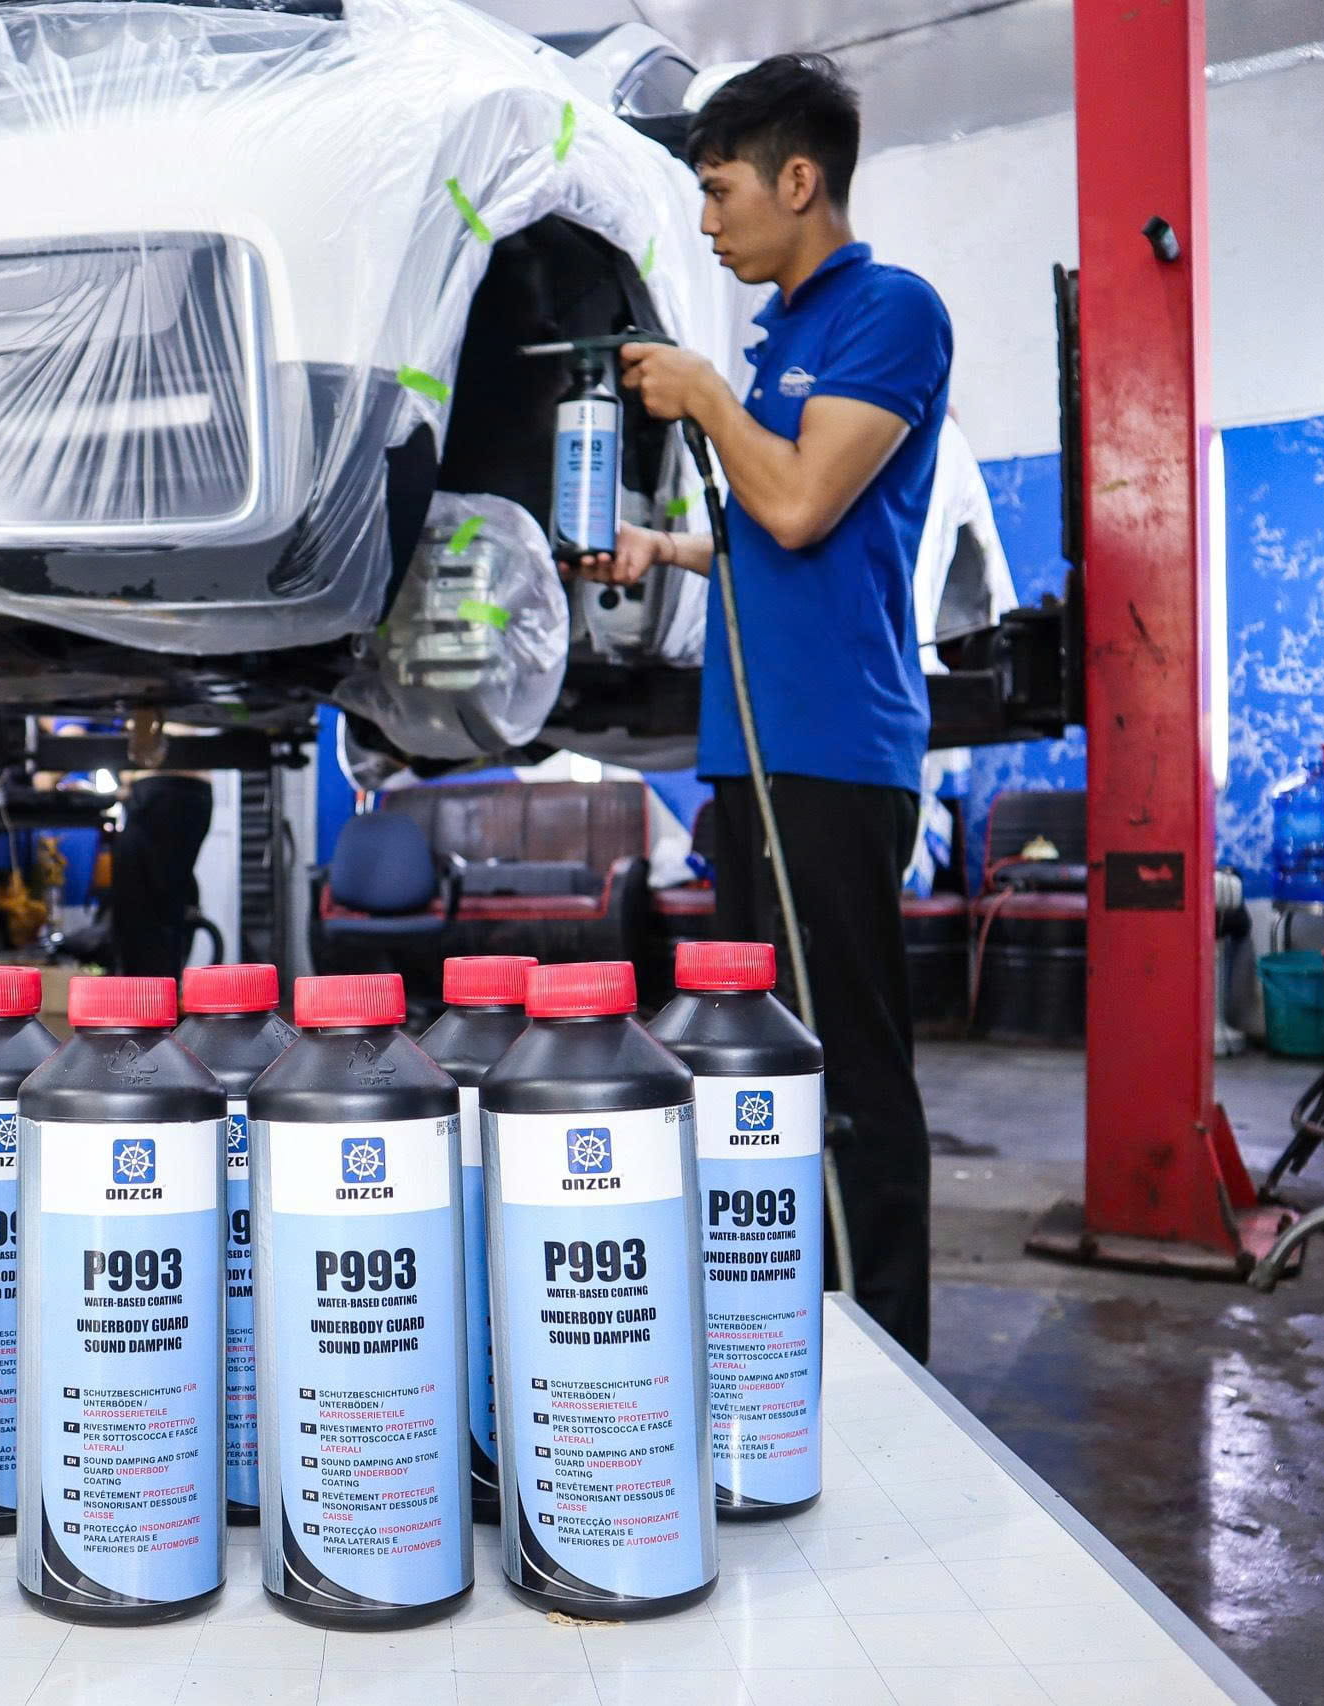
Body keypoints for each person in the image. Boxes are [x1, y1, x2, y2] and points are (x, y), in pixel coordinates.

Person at [580, 53, 947, 1361]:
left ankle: (889, 1356)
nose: (705, 220)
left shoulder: (890, 312)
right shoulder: (783, 335)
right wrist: (667, 549)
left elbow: (797, 503)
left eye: (720, 188)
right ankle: (795, 1338)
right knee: (765, 1067)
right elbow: (769, 536)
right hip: (755, 753)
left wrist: (707, 397)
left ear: (800, 181)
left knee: (846, 1069)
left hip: (831, 751)